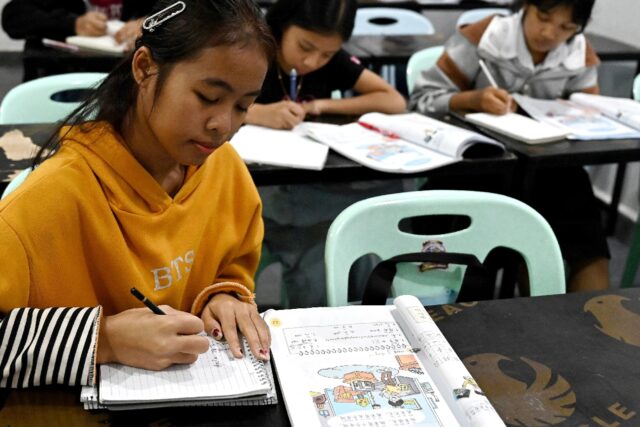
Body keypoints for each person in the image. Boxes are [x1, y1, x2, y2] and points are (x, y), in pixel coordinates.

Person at [0, 0, 275, 388]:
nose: (223, 125)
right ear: (144, 67)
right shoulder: (46, 201)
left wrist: (224, 298)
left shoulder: (224, 170)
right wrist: (104, 340)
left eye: (244, 106)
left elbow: (232, 269)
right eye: (208, 97)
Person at [409, 0, 609, 292]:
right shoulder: (483, 38)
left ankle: (578, 328)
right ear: (527, 5)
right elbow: (421, 100)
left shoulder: (579, 54)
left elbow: (587, 113)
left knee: (585, 242)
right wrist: (472, 99)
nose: (550, 33)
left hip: (550, 171)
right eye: (543, 17)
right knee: (479, 244)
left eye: (567, 27)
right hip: (477, 166)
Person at [245, 0, 407, 308]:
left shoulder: (328, 59)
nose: (312, 61)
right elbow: (202, 107)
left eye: (327, 54)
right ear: (281, 27)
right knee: (328, 234)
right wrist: (255, 113)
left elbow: (393, 100)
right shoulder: (250, 49)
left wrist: (320, 106)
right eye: (304, 47)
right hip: (256, 185)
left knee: (366, 214)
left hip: (306, 179)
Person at [2, 0, 155, 51]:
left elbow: (176, 9)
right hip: (59, 74)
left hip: (126, 81)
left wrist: (150, 21)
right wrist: (73, 24)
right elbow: (12, 17)